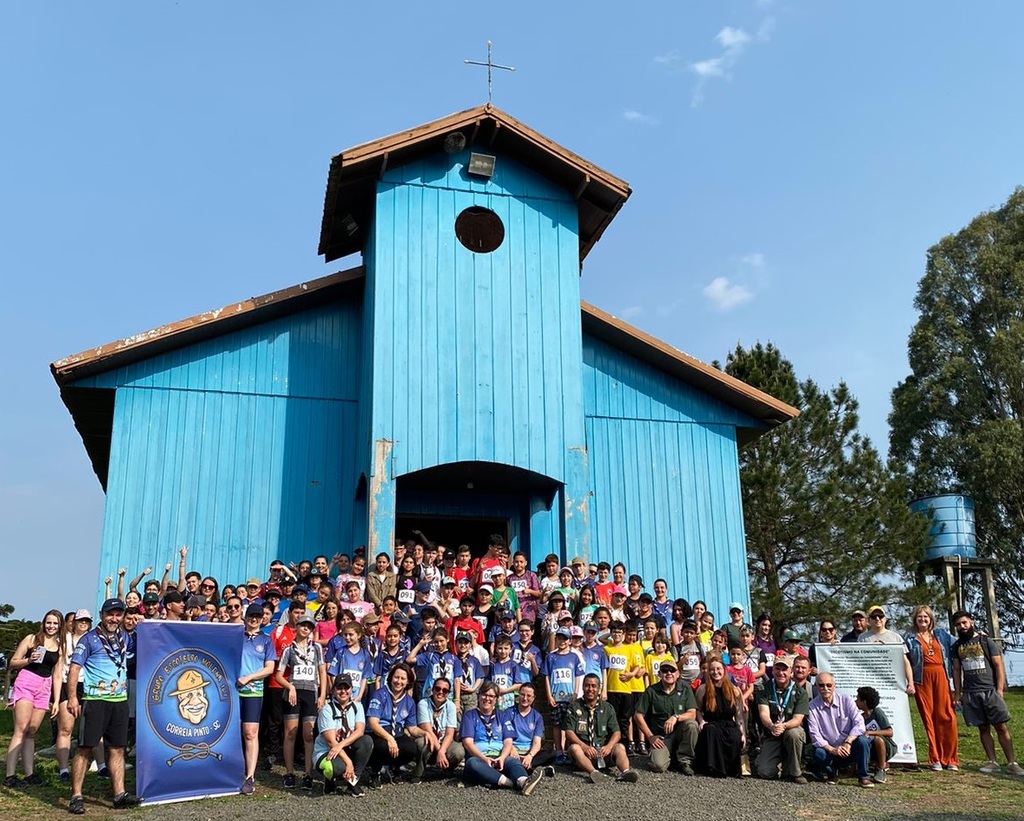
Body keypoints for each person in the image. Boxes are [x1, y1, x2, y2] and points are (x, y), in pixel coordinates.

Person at [65, 598, 140, 814]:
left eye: (118, 614)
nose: (114, 618)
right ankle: (76, 796)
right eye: (110, 614)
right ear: (101, 615)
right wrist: (72, 697)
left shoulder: (124, 637)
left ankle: (119, 794)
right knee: (85, 747)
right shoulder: (89, 639)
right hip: (96, 701)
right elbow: (74, 669)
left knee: (117, 748)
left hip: (119, 700)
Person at [951, 610, 1024, 775]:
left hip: (990, 690)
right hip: (970, 692)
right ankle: (992, 761)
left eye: (964, 623)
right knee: (982, 728)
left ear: (971, 622)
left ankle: (1012, 762)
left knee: (1001, 726)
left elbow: (998, 665)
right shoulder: (956, 646)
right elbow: (956, 670)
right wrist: (957, 694)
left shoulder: (986, 641)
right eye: (958, 624)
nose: (962, 626)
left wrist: (999, 690)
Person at [5, 609, 64, 787]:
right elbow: (13, 662)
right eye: (49, 622)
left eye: (55, 623)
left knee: (31, 732)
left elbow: (58, 675)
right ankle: (10, 775)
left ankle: (29, 774)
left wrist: (56, 700)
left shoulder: (60, 646)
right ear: (43, 623)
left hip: (44, 688)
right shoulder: (32, 639)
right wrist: (29, 660)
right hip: (27, 682)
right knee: (21, 729)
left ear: (59, 625)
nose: (51, 626)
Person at [458, 682, 544, 795]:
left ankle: (524, 782)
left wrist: (502, 758)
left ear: (496, 699)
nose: (487, 698)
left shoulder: (502, 715)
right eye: (484, 694)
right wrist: (484, 759)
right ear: (479, 696)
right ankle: (508, 783)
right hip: (480, 758)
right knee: (472, 763)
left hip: (499, 758)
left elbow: (508, 741)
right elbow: (467, 743)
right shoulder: (470, 715)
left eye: (491, 696)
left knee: (513, 761)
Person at [275, 612, 327, 789]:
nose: (306, 628)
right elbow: (279, 675)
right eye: (303, 625)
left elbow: (322, 673)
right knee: (290, 733)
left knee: (308, 734)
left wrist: (322, 695)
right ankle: (289, 773)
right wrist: (289, 687)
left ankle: (308, 774)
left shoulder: (317, 648)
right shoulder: (288, 650)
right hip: (293, 693)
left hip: (311, 693)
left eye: (310, 626)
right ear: (296, 626)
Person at [903, 604, 959, 770]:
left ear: (931, 619)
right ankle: (935, 758)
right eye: (919, 617)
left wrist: (978, 634)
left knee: (947, 716)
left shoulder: (941, 634)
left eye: (925, 616)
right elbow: (900, 654)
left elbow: (960, 643)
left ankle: (951, 759)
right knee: (929, 717)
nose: (923, 619)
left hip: (940, 675)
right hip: (922, 678)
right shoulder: (909, 637)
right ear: (915, 619)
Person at [562, 673, 638, 783]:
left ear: (599, 688)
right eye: (587, 685)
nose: (590, 689)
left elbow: (616, 732)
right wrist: (584, 747)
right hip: (583, 755)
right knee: (574, 748)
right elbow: (569, 732)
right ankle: (594, 773)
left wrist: (608, 747)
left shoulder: (607, 708)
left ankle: (625, 772)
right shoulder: (575, 706)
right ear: (583, 687)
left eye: (593, 686)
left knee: (620, 747)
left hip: (602, 754)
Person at [634, 658, 699, 775]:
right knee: (657, 766)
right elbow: (638, 715)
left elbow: (692, 713)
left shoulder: (685, 689)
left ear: (678, 673)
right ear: (659, 674)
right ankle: (672, 758)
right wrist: (650, 737)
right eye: (664, 670)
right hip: (661, 737)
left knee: (692, 725)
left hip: (680, 733)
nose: (669, 673)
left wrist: (676, 717)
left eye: (672, 670)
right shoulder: (651, 691)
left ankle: (685, 761)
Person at [807, 672, 873, 787]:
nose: (825, 688)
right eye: (821, 685)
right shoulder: (812, 706)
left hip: (849, 746)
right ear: (816, 687)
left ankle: (863, 777)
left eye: (829, 685)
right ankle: (832, 773)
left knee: (863, 741)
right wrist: (832, 750)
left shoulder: (846, 700)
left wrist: (848, 742)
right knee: (818, 753)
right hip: (829, 749)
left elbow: (859, 724)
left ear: (834, 686)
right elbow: (815, 735)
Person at [238, 603, 277, 794]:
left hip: (254, 691)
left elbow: (270, 668)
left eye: (258, 616)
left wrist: (249, 677)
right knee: (232, 732)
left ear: (263, 619)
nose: (254, 619)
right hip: (233, 690)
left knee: (250, 733)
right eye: (251, 616)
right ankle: (232, 771)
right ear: (245, 617)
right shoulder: (236, 636)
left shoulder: (267, 640)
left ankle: (249, 776)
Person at [314, 673, 373, 797]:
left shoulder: (358, 706)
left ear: (351, 689)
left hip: (341, 747)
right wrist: (348, 762)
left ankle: (353, 782)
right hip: (327, 751)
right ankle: (330, 781)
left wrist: (341, 745)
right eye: (339, 688)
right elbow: (331, 741)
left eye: (346, 688)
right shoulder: (326, 710)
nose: (343, 691)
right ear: (334, 690)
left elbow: (359, 731)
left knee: (366, 741)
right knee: (335, 768)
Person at [755, 656, 809, 783]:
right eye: (777, 669)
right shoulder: (764, 689)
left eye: (784, 670)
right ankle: (771, 761)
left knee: (794, 733)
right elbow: (764, 714)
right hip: (772, 733)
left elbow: (798, 719)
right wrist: (772, 726)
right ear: (772, 671)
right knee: (765, 772)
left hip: (791, 730)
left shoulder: (801, 692)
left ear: (791, 672)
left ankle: (795, 772)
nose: (781, 673)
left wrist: (783, 726)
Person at [366, 663, 421, 785]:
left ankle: (395, 767)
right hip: (379, 731)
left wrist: (426, 733)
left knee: (410, 748)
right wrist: (389, 738)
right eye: (396, 677)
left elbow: (411, 728)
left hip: (397, 731)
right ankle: (375, 771)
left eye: (403, 679)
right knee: (381, 746)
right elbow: (373, 723)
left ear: (408, 682)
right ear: (390, 678)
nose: (399, 681)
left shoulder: (409, 701)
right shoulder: (379, 694)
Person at [694, 656, 744, 778]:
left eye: (718, 669)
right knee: (710, 731)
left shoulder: (735, 690)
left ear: (725, 670)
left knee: (735, 735)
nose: (715, 672)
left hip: (728, 723)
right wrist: (701, 722)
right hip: (711, 722)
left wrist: (743, 733)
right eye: (712, 669)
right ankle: (712, 768)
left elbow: (739, 715)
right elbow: (698, 710)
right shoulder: (702, 689)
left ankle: (731, 769)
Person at [413, 676, 464, 782]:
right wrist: (440, 752)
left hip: (444, 741)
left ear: (448, 693)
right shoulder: (423, 703)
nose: (441, 692)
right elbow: (428, 730)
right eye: (437, 689)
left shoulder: (451, 706)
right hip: (429, 738)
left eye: (445, 690)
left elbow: (450, 734)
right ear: (432, 690)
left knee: (458, 751)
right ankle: (418, 773)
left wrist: (442, 751)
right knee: (422, 742)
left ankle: (447, 768)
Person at [858, 605, 915, 696]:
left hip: (893, 682)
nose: (877, 619)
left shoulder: (896, 637)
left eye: (880, 616)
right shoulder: (862, 638)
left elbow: (905, 662)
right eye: (873, 617)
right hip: (871, 682)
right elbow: (858, 661)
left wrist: (911, 683)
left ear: (885, 619)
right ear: (869, 620)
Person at [856, 685, 894, 784]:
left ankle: (881, 770)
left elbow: (889, 732)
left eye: (858, 699)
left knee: (878, 739)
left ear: (864, 702)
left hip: (886, 746)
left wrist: (870, 732)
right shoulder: (860, 717)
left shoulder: (877, 712)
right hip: (871, 748)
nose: (855, 701)